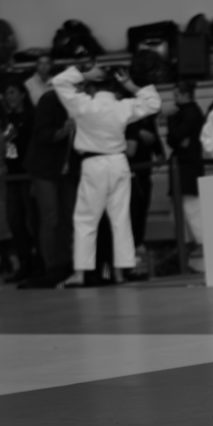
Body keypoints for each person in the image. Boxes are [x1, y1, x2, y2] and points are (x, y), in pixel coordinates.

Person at [52, 64, 161, 288]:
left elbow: (58, 82)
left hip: (94, 164)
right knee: (120, 219)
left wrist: (85, 74)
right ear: (114, 88)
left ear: (91, 87)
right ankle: (120, 273)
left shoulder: (83, 105)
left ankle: (81, 274)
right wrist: (130, 84)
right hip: (119, 162)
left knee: (86, 220)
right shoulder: (122, 106)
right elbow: (154, 103)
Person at [21, 85, 76, 288]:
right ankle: (52, 266)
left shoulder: (81, 101)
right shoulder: (50, 99)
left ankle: (67, 262)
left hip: (67, 167)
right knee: (51, 217)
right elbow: (42, 134)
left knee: (68, 217)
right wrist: (63, 131)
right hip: (45, 166)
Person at [2, 80, 37, 284]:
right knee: (14, 220)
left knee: (31, 220)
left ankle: (38, 261)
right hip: (12, 175)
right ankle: (24, 263)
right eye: (7, 94)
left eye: (13, 92)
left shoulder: (31, 117)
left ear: (23, 94)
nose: (9, 97)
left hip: (28, 174)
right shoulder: (7, 120)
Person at [166, 81, 206, 250]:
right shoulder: (187, 113)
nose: (174, 99)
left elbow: (174, 137)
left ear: (185, 95)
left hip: (187, 166)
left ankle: (201, 244)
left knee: (191, 208)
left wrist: (171, 122)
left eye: (176, 95)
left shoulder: (191, 113)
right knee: (180, 209)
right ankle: (188, 245)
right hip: (184, 165)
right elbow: (174, 140)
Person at [125, 111, 164, 280]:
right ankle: (128, 259)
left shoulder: (146, 116)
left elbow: (154, 138)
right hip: (129, 171)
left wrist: (159, 151)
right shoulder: (127, 113)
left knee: (141, 211)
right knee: (130, 215)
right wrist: (138, 133)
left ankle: (138, 246)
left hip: (144, 171)